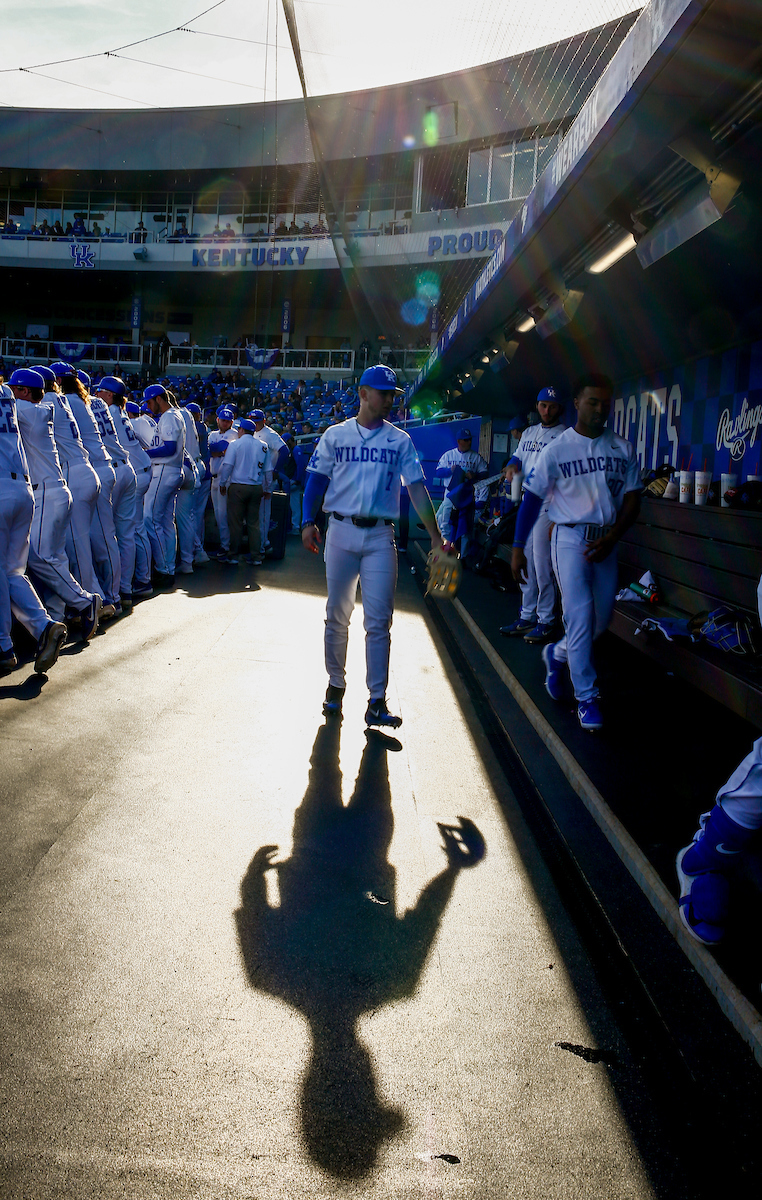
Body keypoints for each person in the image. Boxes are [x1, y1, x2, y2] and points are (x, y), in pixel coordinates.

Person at [301, 364, 449, 727]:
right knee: (337, 614)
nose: (389, 401)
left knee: (379, 620)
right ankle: (335, 686)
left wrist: (434, 534)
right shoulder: (335, 435)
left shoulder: (400, 439)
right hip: (340, 530)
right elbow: (316, 481)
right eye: (384, 393)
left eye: (392, 395)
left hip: (382, 535)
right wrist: (307, 521)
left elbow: (416, 488)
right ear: (364, 394)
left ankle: (377, 700)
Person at [510, 373, 641, 732]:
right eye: (592, 402)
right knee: (580, 617)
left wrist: (614, 536)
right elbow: (532, 500)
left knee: (598, 622)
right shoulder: (557, 449)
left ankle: (557, 654)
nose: (600, 409)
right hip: (569, 538)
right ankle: (587, 697)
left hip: (607, 542)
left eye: (605, 403)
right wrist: (518, 547)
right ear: (578, 404)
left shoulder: (623, 448)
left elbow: (633, 499)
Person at [10, 368, 102, 639]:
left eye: (16, 388)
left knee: (38, 556)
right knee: (55, 557)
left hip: (48, 493)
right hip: (56, 489)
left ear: (25, 392)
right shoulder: (43, 408)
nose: (12, 393)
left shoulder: (30, 411)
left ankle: (84, 601)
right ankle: (56, 617)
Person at [0, 382, 68, 674]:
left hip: (2, 488)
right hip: (23, 489)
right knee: (12, 572)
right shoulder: (5, 393)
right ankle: (44, 627)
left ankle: (2, 646)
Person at [500, 386, 566, 643]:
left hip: (549, 504)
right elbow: (517, 458)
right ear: (537, 406)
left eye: (551, 406)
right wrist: (511, 467)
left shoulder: (564, 436)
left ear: (559, 408)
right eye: (542, 405)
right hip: (529, 501)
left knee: (542, 565)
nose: (546, 410)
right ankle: (527, 615)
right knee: (525, 563)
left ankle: (546, 620)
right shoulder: (528, 432)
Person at [100, 376, 153, 601]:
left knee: (131, 531)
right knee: (130, 533)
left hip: (132, 473)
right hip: (137, 470)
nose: (97, 394)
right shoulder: (121, 413)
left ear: (110, 395)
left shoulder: (110, 412)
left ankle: (141, 580)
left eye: (101, 391)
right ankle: (131, 584)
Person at [141, 383, 186, 583]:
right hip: (173, 471)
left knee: (151, 519)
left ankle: (163, 569)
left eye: (150, 402)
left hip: (165, 470)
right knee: (166, 522)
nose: (149, 407)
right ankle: (168, 567)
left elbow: (168, 448)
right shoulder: (175, 415)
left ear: (159, 398)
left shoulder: (169, 417)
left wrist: (145, 453)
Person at [218, 419, 268, 565]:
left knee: (235, 523)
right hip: (256, 487)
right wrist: (268, 488)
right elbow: (268, 470)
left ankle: (233, 555)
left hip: (238, 486)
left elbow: (227, 466)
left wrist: (222, 483)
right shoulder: (263, 445)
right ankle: (256, 556)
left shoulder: (235, 444)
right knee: (254, 523)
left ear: (241, 430)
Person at [433, 427, 488, 549]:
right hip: (451, 493)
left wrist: (474, 475)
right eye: (466, 440)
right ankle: (445, 547)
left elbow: (485, 472)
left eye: (469, 439)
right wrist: (450, 470)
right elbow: (438, 472)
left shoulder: (475, 457)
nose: (469, 442)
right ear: (459, 441)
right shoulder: (449, 455)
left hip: (466, 494)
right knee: (444, 519)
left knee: (464, 524)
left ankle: (463, 556)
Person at [248, 408, 286, 554]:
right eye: (253, 421)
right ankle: (260, 544)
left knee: (263, 514)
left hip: (266, 477)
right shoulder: (252, 432)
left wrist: (276, 470)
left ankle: (264, 544)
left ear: (264, 421)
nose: (255, 423)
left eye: (257, 421)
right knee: (255, 514)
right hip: (255, 476)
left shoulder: (269, 434)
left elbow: (284, 451)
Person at [208, 406, 238, 557]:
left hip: (225, 479)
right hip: (213, 478)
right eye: (223, 420)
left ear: (232, 422)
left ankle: (226, 546)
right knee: (218, 515)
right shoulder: (212, 434)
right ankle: (224, 545)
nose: (225, 423)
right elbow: (207, 450)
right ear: (218, 420)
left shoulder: (233, 433)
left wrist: (216, 451)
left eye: (228, 421)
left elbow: (220, 446)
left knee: (223, 515)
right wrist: (217, 452)